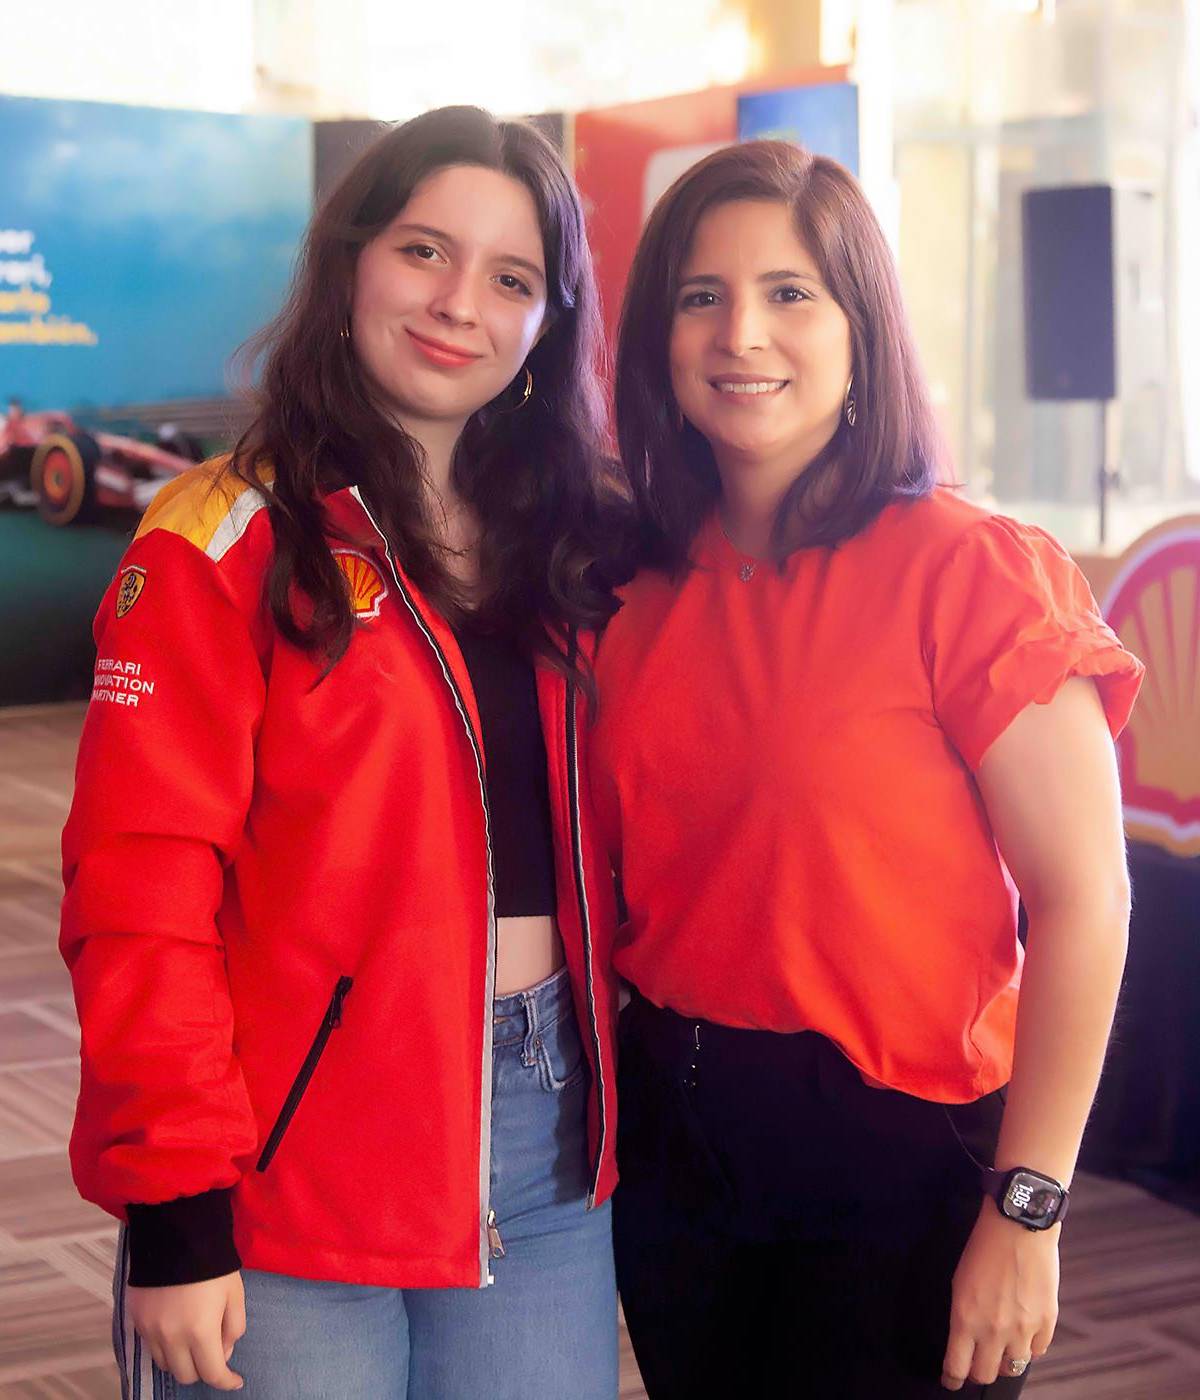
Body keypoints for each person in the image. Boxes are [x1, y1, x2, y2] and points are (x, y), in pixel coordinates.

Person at [59, 106, 621, 1399]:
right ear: (350, 261)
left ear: (550, 324)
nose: (458, 302)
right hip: (291, 1156)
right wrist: (177, 1208)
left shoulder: (575, 545)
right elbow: (140, 890)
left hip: (543, 1142)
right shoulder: (221, 539)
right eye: (424, 250)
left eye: (513, 278)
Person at [591, 140, 1143, 1398]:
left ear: (862, 329)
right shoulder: (629, 586)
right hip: (679, 1147)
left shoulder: (969, 568)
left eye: (792, 292)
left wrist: (1032, 1205)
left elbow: (1086, 899)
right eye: (700, 295)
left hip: (903, 1166)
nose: (744, 333)